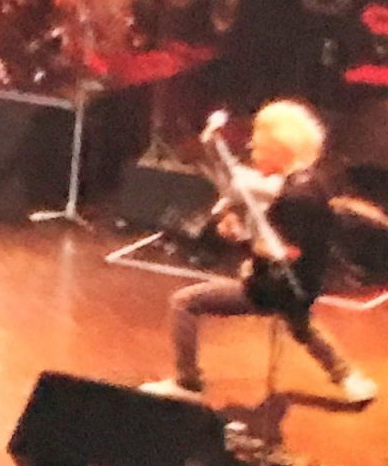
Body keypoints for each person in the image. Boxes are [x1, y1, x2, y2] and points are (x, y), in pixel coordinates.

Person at [143, 99, 376, 404]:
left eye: (259, 143)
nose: (252, 147)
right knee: (299, 322)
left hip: (272, 288)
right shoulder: (313, 181)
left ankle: (187, 384)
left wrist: (242, 240)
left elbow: (284, 253)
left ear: (280, 147)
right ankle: (348, 378)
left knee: (184, 303)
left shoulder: (292, 198)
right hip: (305, 285)